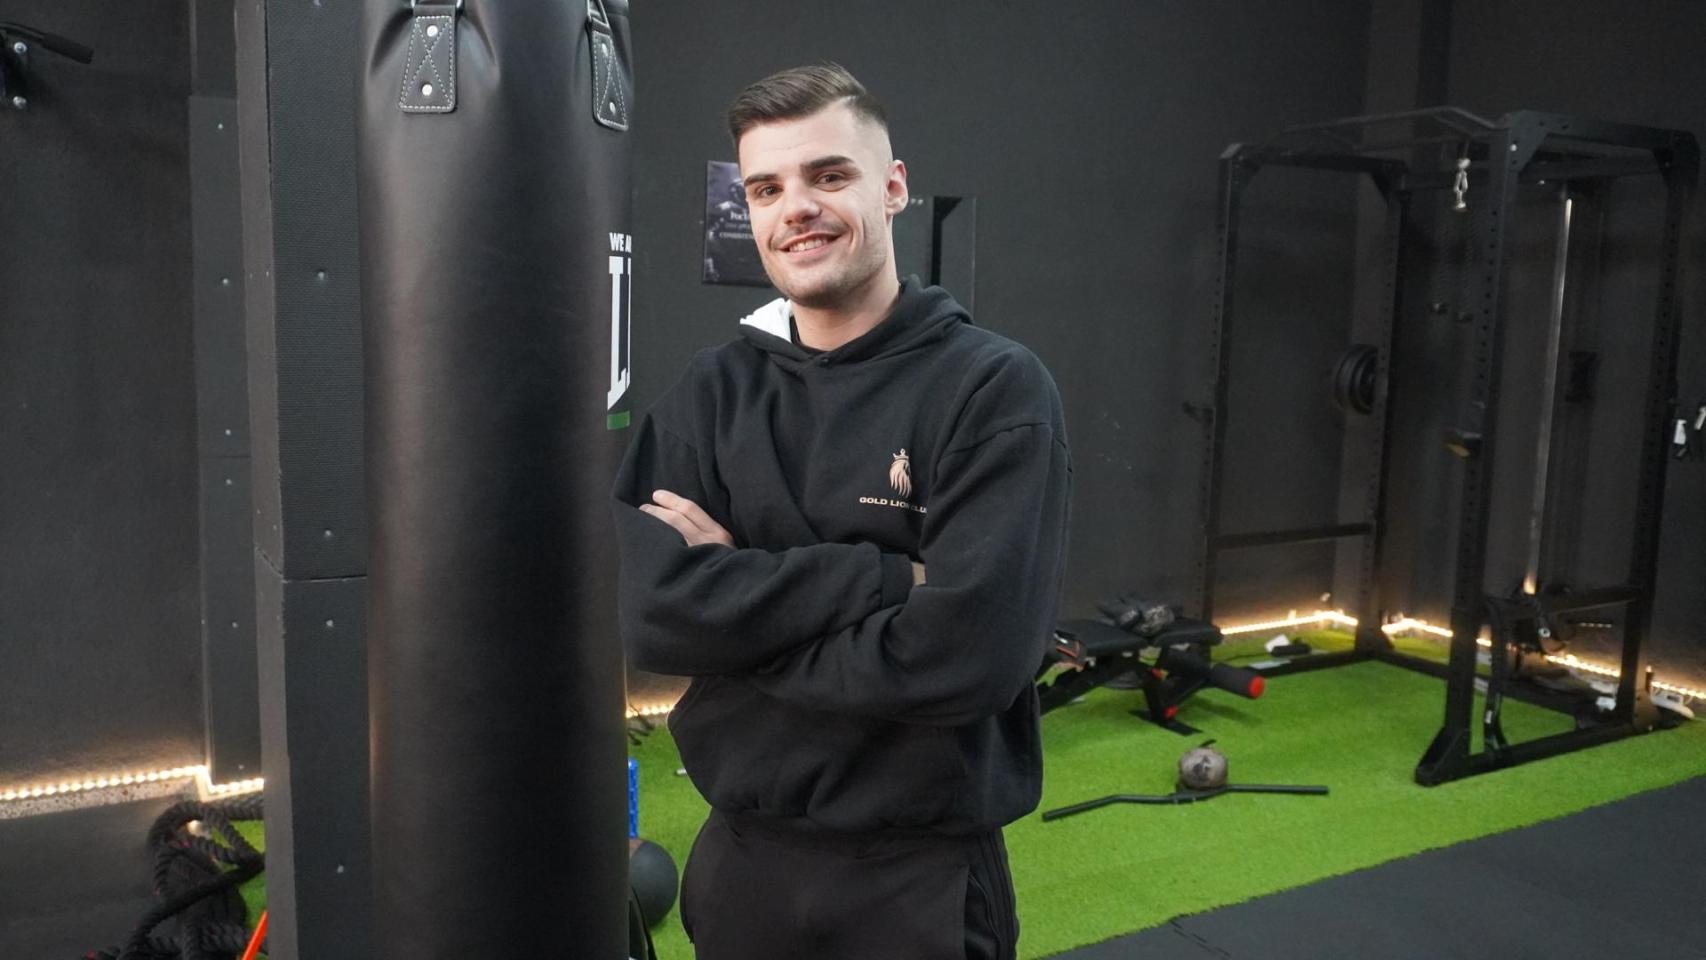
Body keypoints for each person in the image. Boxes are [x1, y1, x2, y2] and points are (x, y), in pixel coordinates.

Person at [612, 62, 1072, 960]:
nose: (797, 209)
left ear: (893, 187)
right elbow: (652, 614)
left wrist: (738, 623)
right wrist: (886, 578)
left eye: (829, 175)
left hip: (917, 881)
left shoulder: (992, 389)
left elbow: (967, 660)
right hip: (741, 864)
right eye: (766, 188)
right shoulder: (713, 394)